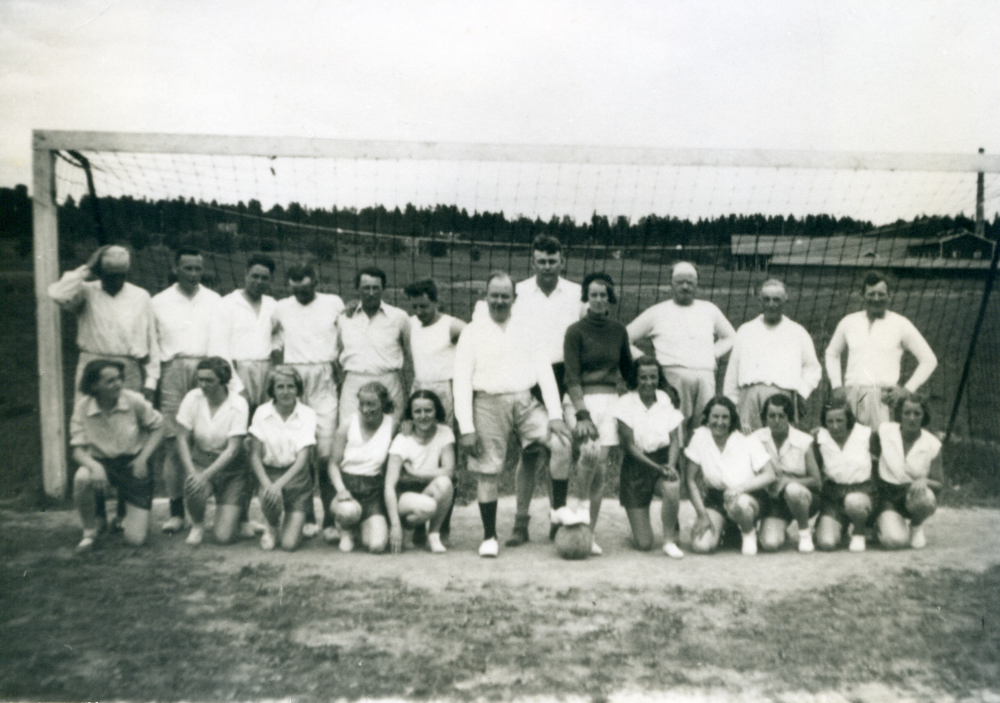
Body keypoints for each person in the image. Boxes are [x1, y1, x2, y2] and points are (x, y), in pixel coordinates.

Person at [472, 236, 582, 547]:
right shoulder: (518, 292)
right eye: (541, 261)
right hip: (528, 376)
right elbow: (489, 321)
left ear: (562, 261)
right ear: (533, 263)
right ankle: (521, 521)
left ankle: (556, 519)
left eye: (552, 261)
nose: (547, 266)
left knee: (560, 447)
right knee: (530, 454)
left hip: (561, 373)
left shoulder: (575, 293)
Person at [454, 272, 571, 557]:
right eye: (494, 295)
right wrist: (466, 427)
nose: (499, 301)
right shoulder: (472, 331)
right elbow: (460, 380)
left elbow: (544, 371)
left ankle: (557, 514)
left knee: (562, 445)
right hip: (487, 403)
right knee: (489, 469)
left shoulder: (527, 328)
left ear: (514, 298)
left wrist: (555, 414)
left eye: (505, 296)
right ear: (485, 297)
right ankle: (489, 536)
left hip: (525, 402)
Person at [152, 247, 225, 535]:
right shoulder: (159, 301)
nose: (194, 274)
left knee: (210, 441)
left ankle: (220, 509)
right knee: (174, 442)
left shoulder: (215, 301)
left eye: (198, 269)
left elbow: (221, 341)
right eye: (188, 269)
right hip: (172, 369)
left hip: (207, 369)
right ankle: (176, 512)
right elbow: (152, 344)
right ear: (175, 268)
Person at [562, 272, 633, 555]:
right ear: (586, 298)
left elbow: (628, 371)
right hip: (581, 402)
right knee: (588, 457)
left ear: (610, 298)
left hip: (610, 401)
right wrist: (582, 414)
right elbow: (571, 377)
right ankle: (573, 516)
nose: (599, 299)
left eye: (604, 295)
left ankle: (587, 533)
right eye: (594, 295)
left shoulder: (619, 331)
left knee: (601, 470)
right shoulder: (575, 331)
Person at [273, 261, 344, 541]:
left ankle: (329, 519)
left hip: (325, 380)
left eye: (306, 288)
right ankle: (307, 516)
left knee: (326, 455)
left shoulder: (333, 303)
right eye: (296, 290)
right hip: (295, 379)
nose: (301, 294)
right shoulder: (280, 308)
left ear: (316, 282)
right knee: (299, 453)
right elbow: (267, 338)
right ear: (289, 287)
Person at [627, 261, 735, 434]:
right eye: (680, 282)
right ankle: (674, 461)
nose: (685, 286)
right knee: (674, 428)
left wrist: (712, 354)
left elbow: (731, 337)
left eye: (690, 282)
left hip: (705, 377)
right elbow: (625, 338)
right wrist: (647, 361)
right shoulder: (657, 311)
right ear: (671, 284)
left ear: (697, 284)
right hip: (672, 378)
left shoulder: (709, 309)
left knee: (704, 429)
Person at [69, 359, 165, 552]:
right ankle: (89, 533)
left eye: (119, 378)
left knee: (136, 540)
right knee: (82, 478)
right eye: (110, 381)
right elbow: (77, 450)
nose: (119, 384)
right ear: (94, 385)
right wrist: (95, 467)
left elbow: (159, 427)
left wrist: (142, 459)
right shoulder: (82, 406)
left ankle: (123, 520)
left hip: (132, 464)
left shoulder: (133, 399)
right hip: (102, 464)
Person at [825, 272, 937, 427]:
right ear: (862, 295)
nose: (876, 299)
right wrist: (837, 385)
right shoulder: (849, 322)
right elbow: (832, 353)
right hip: (853, 395)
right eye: (871, 294)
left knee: (883, 446)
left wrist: (907, 390)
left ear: (889, 296)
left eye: (881, 294)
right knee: (854, 446)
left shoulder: (900, 323)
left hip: (885, 398)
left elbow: (929, 359)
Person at [48, 244, 159, 402]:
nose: (116, 281)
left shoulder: (140, 296)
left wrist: (151, 381)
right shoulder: (85, 292)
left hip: (128, 369)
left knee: (126, 421)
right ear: (99, 274)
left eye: (120, 275)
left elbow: (151, 340)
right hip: (92, 367)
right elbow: (57, 294)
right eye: (110, 276)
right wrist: (86, 269)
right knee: (88, 419)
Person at [723, 279, 821, 432]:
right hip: (750, 398)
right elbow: (732, 371)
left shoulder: (797, 331)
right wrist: (731, 402)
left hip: (783, 398)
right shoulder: (745, 330)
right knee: (750, 446)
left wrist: (802, 392)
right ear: (760, 301)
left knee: (781, 446)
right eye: (766, 299)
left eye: (777, 300)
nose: (771, 304)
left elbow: (812, 367)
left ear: (785, 301)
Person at [613, 356, 685, 557]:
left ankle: (669, 540)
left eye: (653, 377)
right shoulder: (625, 402)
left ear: (658, 377)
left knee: (671, 485)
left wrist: (670, 465)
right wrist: (657, 467)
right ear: (636, 378)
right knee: (644, 543)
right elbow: (629, 446)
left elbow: (675, 439)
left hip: (663, 460)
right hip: (637, 465)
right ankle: (637, 527)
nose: (648, 382)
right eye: (643, 377)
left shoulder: (665, 398)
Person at [686, 396, 775, 555]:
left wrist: (739, 488)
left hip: (749, 496)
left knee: (739, 504)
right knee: (701, 546)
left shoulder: (746, 438)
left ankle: (748, 532)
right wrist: (702, 515)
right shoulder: (700, 437)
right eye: (715, 416)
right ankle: (727, 530)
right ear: (708, 417)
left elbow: (769, 475)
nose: (720, 422)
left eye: (725, 417)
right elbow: (690, 480)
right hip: (716, 498)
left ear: (732, 418)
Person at [174, 357, 249, 546]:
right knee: (193, 487)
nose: (203, 385)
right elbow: (182, 438)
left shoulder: (239, 403)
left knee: (223, 538)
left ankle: (239, 517)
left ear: (223, 380)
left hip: (231, 468)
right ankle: (197, 524)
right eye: (200, 379)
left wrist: (205, 476)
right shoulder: (192, 397)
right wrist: (193, 473)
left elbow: (233, 448)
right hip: (201, 460)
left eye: (209, 380)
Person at [247, 367, 316, 551]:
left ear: (298, 388)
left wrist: (279, 485)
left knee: (289, 544)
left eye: (291, 386)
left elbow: (303, 459)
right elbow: (254, 455)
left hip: (297, 477)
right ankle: (272, 526)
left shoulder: (308, 414)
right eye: (280, 387)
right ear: (273, 390)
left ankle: (292, 522)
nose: (286, 392)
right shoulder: (261, 412)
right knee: (269, 498)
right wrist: (268, 484)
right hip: (269, 473)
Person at [327, 382, 397, 554]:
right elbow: (332, 464)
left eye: (371, 404)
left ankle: (360, 528)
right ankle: (345, 529)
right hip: (347, 485)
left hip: (373, 491)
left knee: (377, 546)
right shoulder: (347, 424)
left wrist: (408, 426)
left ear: (383, 404)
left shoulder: (392, 425)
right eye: (362, 404)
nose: (365, 409)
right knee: (349, 512)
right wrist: (341, 489)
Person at [337, 267, 410, 427]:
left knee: (390, 432)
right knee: (350, 431)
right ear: (358, 288)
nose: (371, 293)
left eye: (375, 288)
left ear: (383, 288)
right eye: (366, 288)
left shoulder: (399, 317)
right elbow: (338, 350)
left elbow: (409, 350)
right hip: (354, 383)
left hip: (388, 382)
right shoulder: (345, 317)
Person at [385, 390, 456, 554]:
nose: (423, 416)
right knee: (429, 506)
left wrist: (414, 472)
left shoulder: (444, 433)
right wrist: (395, 525)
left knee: (445, 483)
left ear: (436, 411)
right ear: (411, 414)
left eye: (428, 410)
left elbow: (449, 471)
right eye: (417, 411)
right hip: (404, 497)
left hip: (427, 489)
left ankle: (433, 535)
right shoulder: (402, 439)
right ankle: (405, 526)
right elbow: (389, 485)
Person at [752, 394, 821, 553]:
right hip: (775, 502)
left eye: (781, 416)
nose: (776, 421)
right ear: (765, 417)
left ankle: (804, 533)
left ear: (789, 417)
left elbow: (816, 481)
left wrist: (788, 481)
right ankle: (779, 528)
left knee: (793, 490)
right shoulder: (756, 438)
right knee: (769, 543)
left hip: (802, 497)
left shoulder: (803, 440)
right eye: (772, 416)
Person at [873, 394, 943, 550]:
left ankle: (916, 526)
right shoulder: (885, 431)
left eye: (917, 413)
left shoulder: (932, 444)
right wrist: (823, 430)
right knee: (895, 541)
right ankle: (879, 524)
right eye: (907, 413)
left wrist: (924, 481)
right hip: (887, 496)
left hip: (911, 494)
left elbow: (939, 483)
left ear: (924, 415)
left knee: (927, 498)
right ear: (900, 414)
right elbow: (859, 435)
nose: (912, 418)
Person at [216, 254, 280, 410]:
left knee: (265, 422)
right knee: (239, 417)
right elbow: (219, 348)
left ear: (271, 280)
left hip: (266, 371)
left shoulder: (273, 305)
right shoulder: (226, 303)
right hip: (239, 371)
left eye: (264, 278)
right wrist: (236, 385)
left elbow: (278, 338)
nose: (258, 282)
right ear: (245, 274)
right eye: (254, 276)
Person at [813, 399, 875, 553]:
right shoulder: (820, 438)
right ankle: (840, 527)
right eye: (830, 421)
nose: (835, 426)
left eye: (840, 420)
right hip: (833, 495)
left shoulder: (865, 434)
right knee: (826, 543)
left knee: (853, 501)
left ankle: (860, 531)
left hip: (862, 492)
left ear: (848, 419)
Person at [404, 278, 465, 425]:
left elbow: (478, 344)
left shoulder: (452, 325)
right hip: (419, 387)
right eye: (415, 306)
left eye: (424, 306)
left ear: (435, 302)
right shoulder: (410, 324)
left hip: (444, 389)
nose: (419, 311)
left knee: (445, 433)